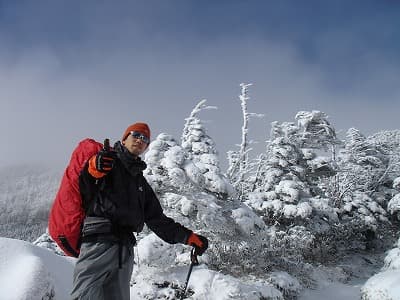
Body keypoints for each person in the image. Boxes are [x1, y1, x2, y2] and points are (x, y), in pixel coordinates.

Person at [71, 122, 208, 300]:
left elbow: (157, 219)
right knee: (83, 296)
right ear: (125, 138)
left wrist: (189, 237)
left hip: (124, 251)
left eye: (144, 138)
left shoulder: (140, 183)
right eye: (135, 135)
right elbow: (86, 183)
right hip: (98, 242)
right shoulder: (107, 161)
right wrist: (93, 168)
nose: (139, 140)